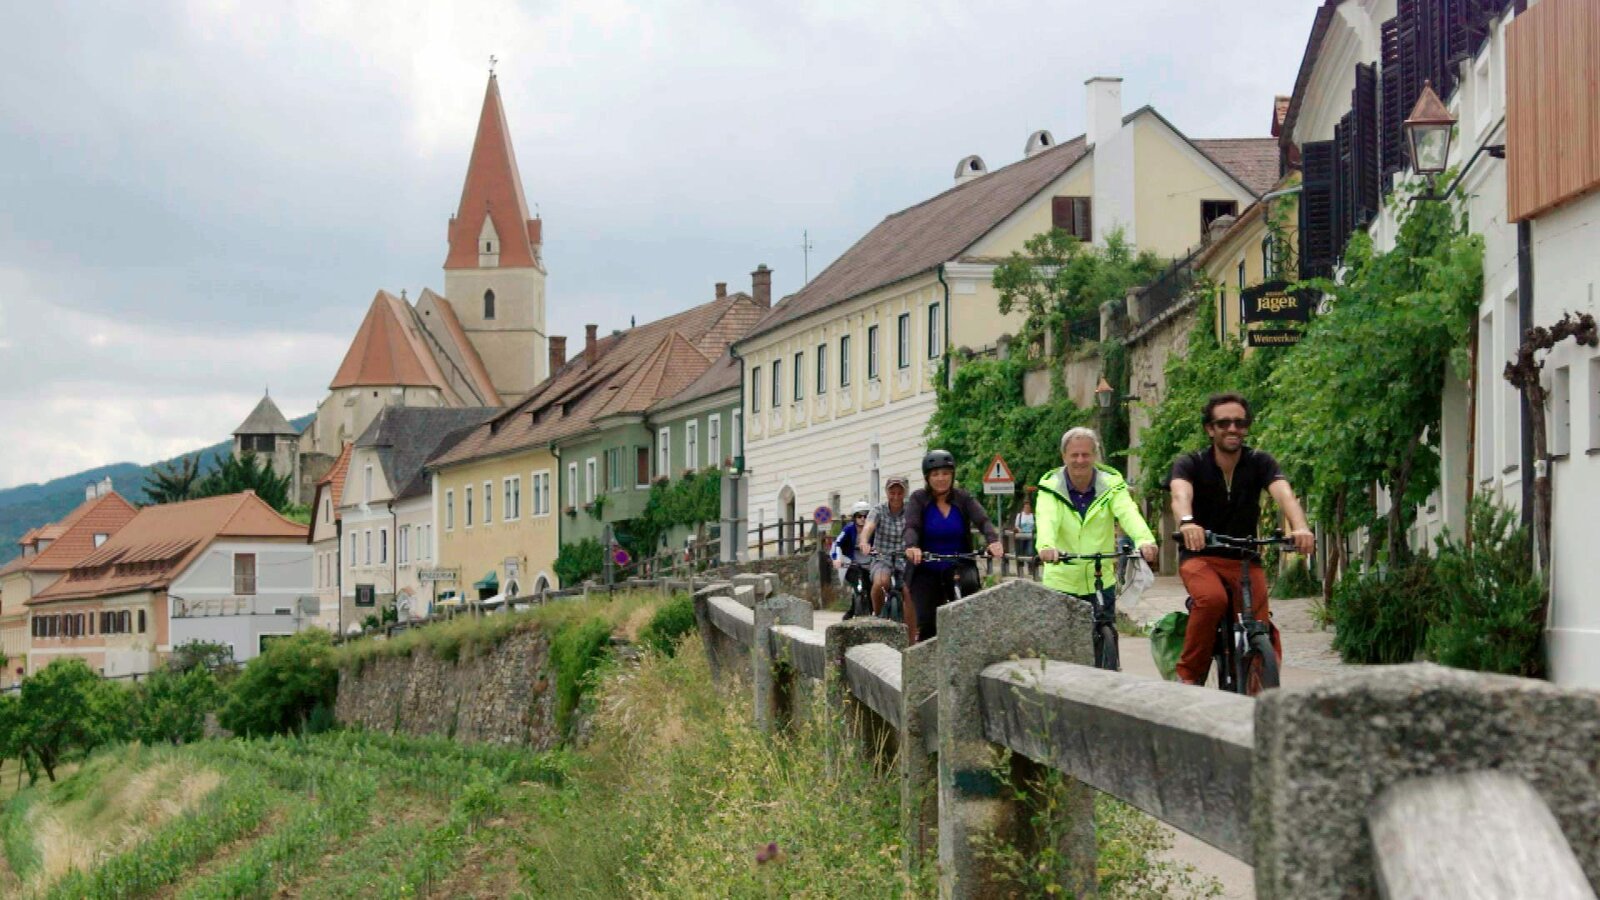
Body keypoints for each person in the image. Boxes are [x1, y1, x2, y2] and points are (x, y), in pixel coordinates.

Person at [1169, 393, 1314, 686]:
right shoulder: (1191, 463)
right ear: (1210, 429)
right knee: (1212, 600)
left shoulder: (1260, 462)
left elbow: (1284, 494)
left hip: (1245, 557)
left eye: (1240, 423)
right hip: (1201, 555)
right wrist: (1187, 523)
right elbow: (1180, 494)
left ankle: (1259, 690)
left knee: (1259, 624)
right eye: (1223, 423)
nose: (1233, 429)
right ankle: (1189, 677)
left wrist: (1300, 527)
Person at [1035, 427, 1158, 609]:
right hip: (1060, 582)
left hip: (1100, 579)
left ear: (1094, 456)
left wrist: (1144, 540)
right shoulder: (1050, 488)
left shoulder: (1112, 485)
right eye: (1074, 455)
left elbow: (1128, 513)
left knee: (1105, 625)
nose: (1080, 460)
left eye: (1085, 455)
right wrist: (1046, 546)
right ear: (1064, 457)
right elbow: (1047, 518)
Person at [903, 450, 1003, 642]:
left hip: (959, 564)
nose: (941, 478)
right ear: (927, 477)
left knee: (969, 613)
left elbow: (982, 520)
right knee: (928, 621)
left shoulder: (963, 498)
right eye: (935, 474)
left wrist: (993, 541)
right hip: (926, 567)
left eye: (945, 473)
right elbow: (911, 526)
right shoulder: (919, 499)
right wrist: (912, 546)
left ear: (952, 475)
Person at [859, 476, 912, 622]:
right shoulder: (878, 510)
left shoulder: (910, 510)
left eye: (899, 493)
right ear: (887, 493)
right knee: (881, 583)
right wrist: (864, 542)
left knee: (909, 591)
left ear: (904, 494)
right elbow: (868, 527)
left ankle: (912, 629)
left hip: (905, 558)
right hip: (882, 557)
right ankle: (878, 618)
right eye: (892, 493)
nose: (896, 497)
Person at [833, 501, 872, 617]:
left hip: (869, 564)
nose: (863, 519)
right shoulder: (848, 529)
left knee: (871, 589)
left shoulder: (872, 529)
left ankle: (867, 613)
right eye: (859, 516)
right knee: (859, 587)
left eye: (866, 516)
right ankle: (853, 611)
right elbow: (837, 543)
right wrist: (836, 558)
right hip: (852, 565)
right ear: (854, 517)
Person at [1013, 496, 1036, 561]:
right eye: (1026, 507)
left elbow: (1035, 525)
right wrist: (1019, 530)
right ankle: (1021, 562)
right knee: (1021, 551)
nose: (1027, 508)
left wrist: (1033, 529)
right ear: (1023, 508)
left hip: (1030, 535)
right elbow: (1016, 525)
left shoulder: (1033, 516)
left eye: (1028, 507)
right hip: (1021, 535)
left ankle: (1030, 563)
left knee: (1030, 551)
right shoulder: (1020, 515)